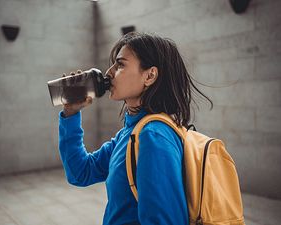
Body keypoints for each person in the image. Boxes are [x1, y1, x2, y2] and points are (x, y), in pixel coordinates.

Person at [58, 32, 212, 225]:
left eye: (120, 64)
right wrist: (71, 114)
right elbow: (80, 173)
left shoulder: (153, 135)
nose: (109, 73)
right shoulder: (130, 134)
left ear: (150, 75)